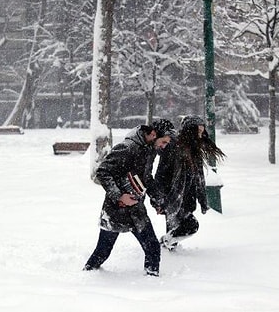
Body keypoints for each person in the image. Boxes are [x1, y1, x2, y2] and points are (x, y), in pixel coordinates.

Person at [84, 119, 175, 276]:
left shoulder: (150, 150)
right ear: (153, 134)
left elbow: (146, 178)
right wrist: (119, 196)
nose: (164, 146)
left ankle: (152, 284)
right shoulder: (127, 148)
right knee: (103, 251)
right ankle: (87, 276)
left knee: (153, 247)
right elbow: (103, 172)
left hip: (137, 211)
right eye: (163, 141)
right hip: (116, 210)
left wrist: (157, 201)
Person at [154, 115, 225, 251]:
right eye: (198, 131)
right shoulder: (173, 147)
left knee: (179, 229)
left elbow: (199, 178)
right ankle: (165, 247)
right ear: (189, 131)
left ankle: (166, 247)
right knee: (189, 226)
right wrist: (159, 200)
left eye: (202, 131)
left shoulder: (193, 149)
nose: (200, 134)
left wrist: (202, 200)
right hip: (173, 197)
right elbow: (161, 175)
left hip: (186, 198)